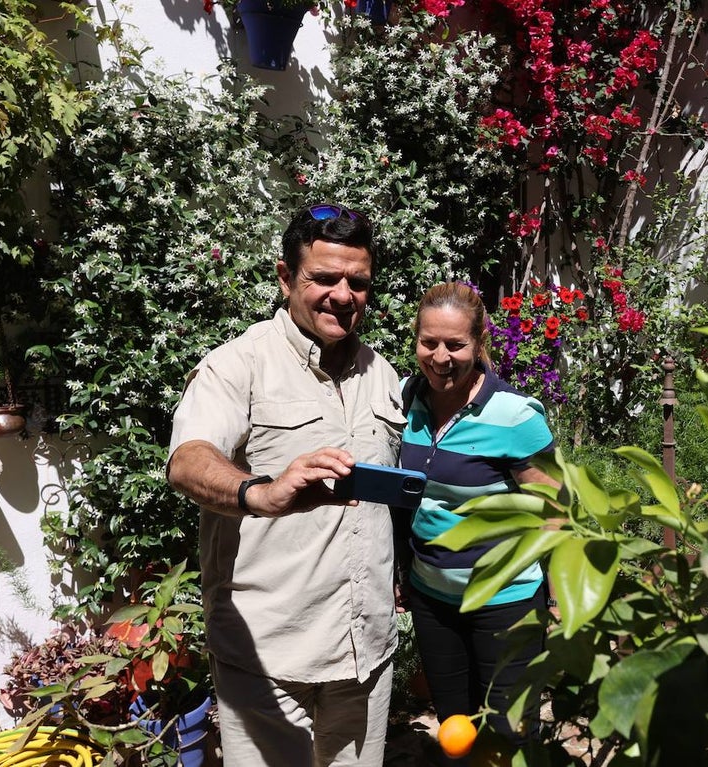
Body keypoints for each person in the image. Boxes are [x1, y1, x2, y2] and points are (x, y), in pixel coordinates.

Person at [166, 203, 405, 767]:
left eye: (357, 282)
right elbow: (188, 459)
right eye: (324, 278)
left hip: (366, 654)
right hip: (269, 657)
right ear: (285, 278)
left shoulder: (383, 373)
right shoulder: (239, 364)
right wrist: (263, 493)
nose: (342, 295)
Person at [399, 282, 558, 752]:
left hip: (505, 601)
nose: (440, 357)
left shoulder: (515, 417)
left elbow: (555, 511)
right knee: (456, 731)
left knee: (509, 736)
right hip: (432, 598)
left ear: (479, 342)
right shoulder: (407, 398)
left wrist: (557, 598)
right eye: (429, 342)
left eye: (455, 344)